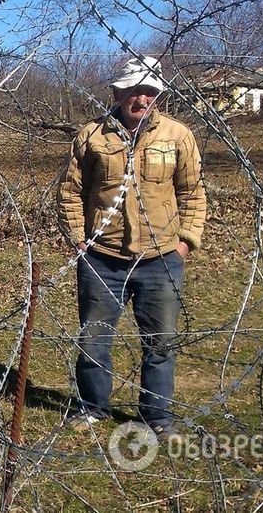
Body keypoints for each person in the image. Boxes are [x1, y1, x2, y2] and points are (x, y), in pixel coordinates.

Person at [56, 56, 206, 434]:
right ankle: (92, 406)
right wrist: (78, 238)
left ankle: (157, 417)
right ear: (118, 92)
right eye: (135, 91)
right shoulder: (92, 135)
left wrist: (185, 242)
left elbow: (193, 192)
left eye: (150, 91)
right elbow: (70, 192)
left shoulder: (177, 136)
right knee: (94, 339)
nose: (142, 99)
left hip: (160, 259)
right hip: (102, 258)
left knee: (159, 344)